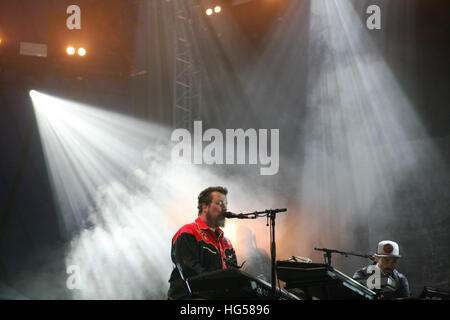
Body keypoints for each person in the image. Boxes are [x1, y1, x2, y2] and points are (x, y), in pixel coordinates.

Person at [167, 186, 238, 300]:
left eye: (226, 204)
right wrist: (221, 287)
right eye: (220, 203)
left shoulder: (226, 242)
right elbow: (190, 271)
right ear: (205, 206)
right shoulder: (188, 232)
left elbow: (234, 274)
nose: (225, 208)